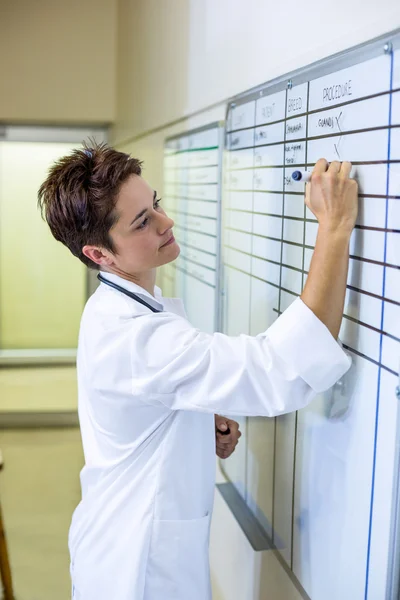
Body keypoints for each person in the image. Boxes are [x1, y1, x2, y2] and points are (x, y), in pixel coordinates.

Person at [38, 143, 357, 600]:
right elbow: (279, 372)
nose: (166, 223)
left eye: (156, 205)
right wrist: (335, 226)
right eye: (143, 222)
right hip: (137, 572)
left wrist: (192, 419)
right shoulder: (135, 338)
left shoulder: (114, 306)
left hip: (124, 543)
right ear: (100, 255)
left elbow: (143, 399)